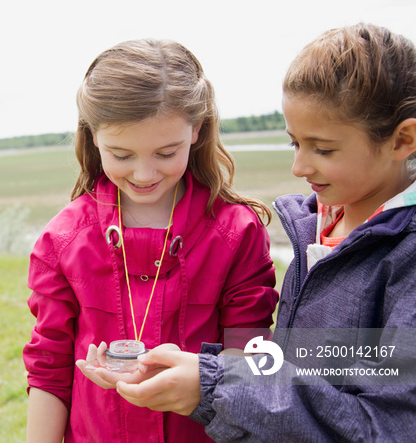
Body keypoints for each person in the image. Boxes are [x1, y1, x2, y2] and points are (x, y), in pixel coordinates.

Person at [81, 23, 416, 441]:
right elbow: (303, 369)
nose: (299, 168)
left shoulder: (406, 260)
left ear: (404, 139)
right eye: (295, 144)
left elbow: (389, 427)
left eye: (323, 149)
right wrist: (205, 372)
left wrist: (214, 385)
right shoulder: (319, 229)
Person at [22, 39, 279, 442]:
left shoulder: (237, 233)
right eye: (122, 155)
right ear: (92, 138)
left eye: (166, 152)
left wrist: (199, 381)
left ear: (197, 130)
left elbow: (247, 354)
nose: (144, 174)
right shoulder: (62, 240)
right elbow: (48, 369)